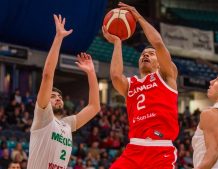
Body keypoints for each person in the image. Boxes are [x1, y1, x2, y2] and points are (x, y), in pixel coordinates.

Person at [102, 2, 178, 168]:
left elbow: (158, 44)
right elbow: (115, 76)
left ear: (159, 62)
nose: (146, 55)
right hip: (135, 148)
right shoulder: (131, 84)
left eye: (151, 54)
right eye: (143, 54)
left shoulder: (166, 75)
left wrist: (139, 18)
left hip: (160, 149)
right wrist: (117, 43)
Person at [27, 14, 100, 168]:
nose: (58, 98)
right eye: (53, 96)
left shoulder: (67, 124)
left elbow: (94, 107)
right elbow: (47, 75)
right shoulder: (43, 117)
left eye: (59, 96)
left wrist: (91, 73)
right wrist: (59, 37)